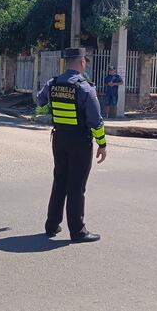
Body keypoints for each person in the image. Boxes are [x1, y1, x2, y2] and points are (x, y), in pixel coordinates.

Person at [36, 47, 107, 243]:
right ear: (82, 62)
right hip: (79, 142)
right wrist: (102, 143)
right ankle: (78, 231)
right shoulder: (85, 88)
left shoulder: (52, 84)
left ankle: (51, 225)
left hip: (59, 139)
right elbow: (95, 121)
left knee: (59, 181)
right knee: (76, 186)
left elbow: (39, 100)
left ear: (65, 63)